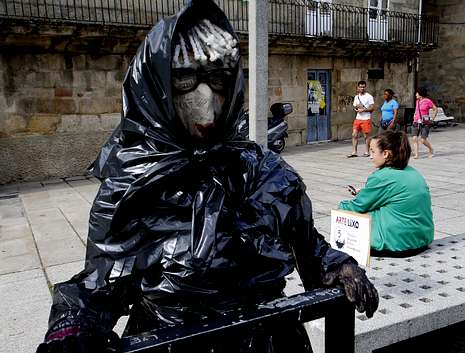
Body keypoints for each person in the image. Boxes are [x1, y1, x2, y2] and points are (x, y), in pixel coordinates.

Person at [36, 2, 378, 353]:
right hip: (175, 344)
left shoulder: (265, 172)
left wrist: (338, 266)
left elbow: (309, 246)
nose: (207, 102)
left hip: (271, 342)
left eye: (218, 81)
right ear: (157, 85)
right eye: (184, 81)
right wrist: (71, 330)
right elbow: (98, 287)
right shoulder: (133, 185)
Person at [340, 130, 434, 257]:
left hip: (397, 244)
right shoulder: (413, 172)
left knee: (349, 216)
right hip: (422, 239)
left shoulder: (381, 177)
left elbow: (358, 206)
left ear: (385, 154)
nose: (371, 156)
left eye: (373, 151)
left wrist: (340, 206)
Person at [348, 80, 375, 158]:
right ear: (358, 87)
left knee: (366, 136)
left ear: (365, 87)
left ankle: (367, 152)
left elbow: (372, 108)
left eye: (363, 87)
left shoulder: (369, 96)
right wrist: (356, 109)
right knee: (354, 135)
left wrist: (363, 110)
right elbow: (355, 106)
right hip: (358, 118)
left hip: (366, 118)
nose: (362, 88)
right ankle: (354, 152)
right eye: (360, 87)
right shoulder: (356, 97)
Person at [412, 87, 438, 159]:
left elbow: (435, 109)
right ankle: (416, 155)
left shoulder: (428, 101)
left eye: (417, 93)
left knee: (423, 140)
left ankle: (431, 149)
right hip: (416, 122)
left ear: (420, 94)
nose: (415, 94)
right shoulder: (417, 101)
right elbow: (417, 110)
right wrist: (414, 115)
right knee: (414, 138)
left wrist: (432, 119)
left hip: (424, 123)